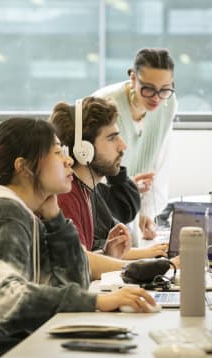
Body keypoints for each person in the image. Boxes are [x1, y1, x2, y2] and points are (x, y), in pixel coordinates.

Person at [0, 117, 157, 358]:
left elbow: (73, 284)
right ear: (24, 167)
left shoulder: (24, 213)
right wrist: (97, 301)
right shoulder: (3, 212)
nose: (69, 160)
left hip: (6, 349)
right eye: (57, 152)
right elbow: (7, 301)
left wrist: (56, 220)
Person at [50, 97, 168, 260]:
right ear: (83, 149)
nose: (123, 146)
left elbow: (85, 259)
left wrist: (108, 255)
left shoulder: (86, 191)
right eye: (112, 138)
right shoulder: (66, 196)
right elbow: (82, 265)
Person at [92, 47, 177, 240]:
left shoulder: (168, 104)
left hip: (133, 206)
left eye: (164, 89)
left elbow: (159, 164)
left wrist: (147, 211)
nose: (156, 97)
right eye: (148, 89)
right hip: (103, 209)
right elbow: (89, 173)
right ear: (132, 78)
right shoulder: (104, 103)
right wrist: (128, 187)